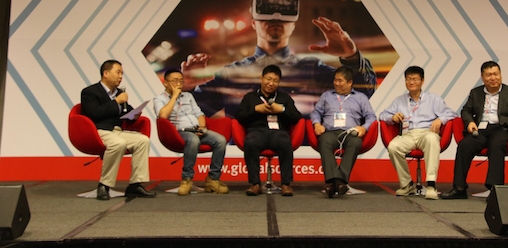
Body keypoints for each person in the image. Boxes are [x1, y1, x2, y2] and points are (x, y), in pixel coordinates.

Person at [182, 0, 377, 118]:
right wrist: (188, 87)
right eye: (266, 12)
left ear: (293, 24)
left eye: (284, 13)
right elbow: (187, 116)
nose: (276, 17)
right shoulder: (230, 74)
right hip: (245, 159)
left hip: (299, 158)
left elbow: (361, 98)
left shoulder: (313, 71)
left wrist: (351, 57)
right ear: (253, 23)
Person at [441, 61, 508, 199]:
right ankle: (459, 188)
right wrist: (470, 122)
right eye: (489, 75)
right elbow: (466, 111)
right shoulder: (476, 93)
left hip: (502, 128)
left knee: (496, 145)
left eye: (496, 74)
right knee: (465, 145)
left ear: (500, 75)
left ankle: (494, 189)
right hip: (481, 129)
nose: (493, 78)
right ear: (482, 77)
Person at [80, 60, 156, 200]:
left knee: (142, 141)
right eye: (118, 72)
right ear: (106, 73)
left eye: (122, 73)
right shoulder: (90, 92)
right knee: (118, 143)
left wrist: (134, 115)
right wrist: (116, 102)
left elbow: (125, 112)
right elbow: (94, 113)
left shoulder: (120, 93)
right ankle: (104, 185)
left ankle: (135, 185)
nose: (121, 76)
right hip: (98, 131)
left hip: (117, 131)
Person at [379, 66, 457, 199]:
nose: (411, 82)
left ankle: (431, 185)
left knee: (432, 139)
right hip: (407, 134)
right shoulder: (399, 101)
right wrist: (392, 117)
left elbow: (451, 113)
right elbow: (382, 115)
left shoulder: (433, 99)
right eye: (408, 79)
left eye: (415, 79)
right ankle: (407, 184)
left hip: (427, 132)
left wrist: (440, 119)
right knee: (393, 147)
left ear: (422, 81)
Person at [153, 68, 229, 196]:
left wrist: (202, 128)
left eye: (181, 81)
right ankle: (186, 179)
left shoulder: (188, 96)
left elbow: (199, 114)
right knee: (193, 140)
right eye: (175, 81)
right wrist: (174, 96)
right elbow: (163, 115)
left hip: (197, 130)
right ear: (165, 83)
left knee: (220, 140)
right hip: (179, 133)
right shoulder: (159, 99)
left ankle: (213, 179)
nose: (178, 84)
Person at [310, 66, 377, 198]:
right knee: (324, 142)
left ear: (350, 82)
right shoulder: (326, 96)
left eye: (340, 81)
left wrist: (364, 128)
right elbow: (316, 112)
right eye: (335, 80)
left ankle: (333, 183)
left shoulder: (360, 97)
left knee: (355, 143)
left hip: (350, 133)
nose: (336, 83)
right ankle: (339, 183)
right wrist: (316, 123)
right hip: (330, 131)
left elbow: (371, 116)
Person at [236, 65, 302, 196]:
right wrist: (255, 110)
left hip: (278, 132)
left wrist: (282, 110)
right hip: (256, 132)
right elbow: (239, 117)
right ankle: (255, 184)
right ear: (261, 78)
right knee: (250, 142)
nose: (271, 83)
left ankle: (286, 184)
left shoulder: (284, 98)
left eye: (275, 81)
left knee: (285, 143)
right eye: (268, 79)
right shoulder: (250, 97)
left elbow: (297, 117)